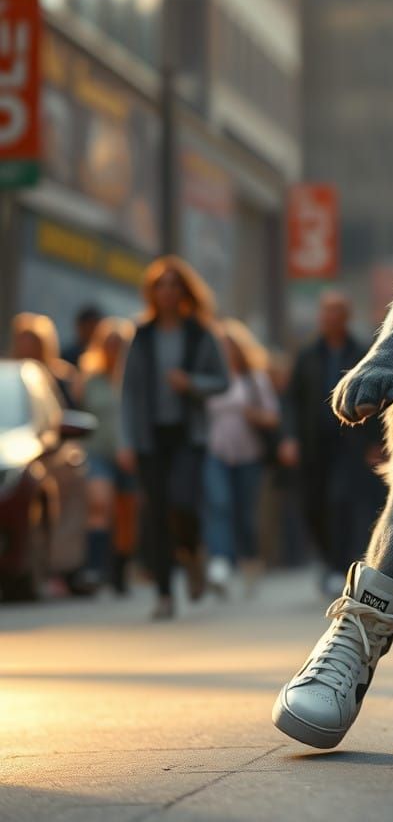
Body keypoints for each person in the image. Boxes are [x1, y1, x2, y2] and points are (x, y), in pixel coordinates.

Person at [119, 256, 229, 620]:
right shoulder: (143, 334)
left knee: (182, 502)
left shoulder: (200, 333)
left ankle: (192, 550)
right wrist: (127, 441)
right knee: (156, 513)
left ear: (183, 291)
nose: (167, 292)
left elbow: (223, 381)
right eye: (160, 286)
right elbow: (130, 391)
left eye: (173, 285)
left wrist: (192, 383)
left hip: (188, 436)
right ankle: (165, 594)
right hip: (150, 437)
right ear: (153, 293)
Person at [278, 290, 386, 595]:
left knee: (344, 504)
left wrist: (377, 443)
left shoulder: (363, 353)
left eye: (336, 312)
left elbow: (379, 399)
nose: (329, 318)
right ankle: (330, 561)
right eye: (325, 312)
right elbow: (291, 402)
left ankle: (342, 567)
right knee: (315, 507)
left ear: (346, 317)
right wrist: (288, 438)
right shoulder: (307, 355)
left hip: (351, 444)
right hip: (314, 446)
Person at [204, 319, 280, 596]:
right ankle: (221, 562)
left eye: (228, 347)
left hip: (249, 454)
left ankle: (250, 562)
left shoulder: (254, 379)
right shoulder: (209, 380)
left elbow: (273, 417)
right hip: (216, 452)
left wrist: (254, 415)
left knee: (245, 513)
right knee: (219, 504)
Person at [75, 317, 136, 592]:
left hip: (131, 455)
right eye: (109, 343)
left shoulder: (136, 378)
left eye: (119, 344)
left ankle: (120, 572)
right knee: (99, 505)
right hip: (98, 451)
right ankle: (95, 569)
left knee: (126, 514)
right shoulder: (90, 380)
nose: (114, 348)